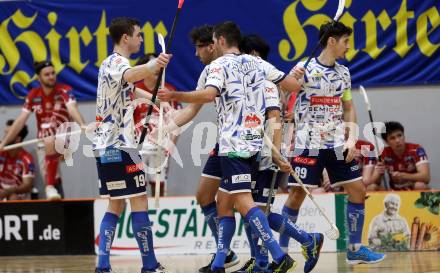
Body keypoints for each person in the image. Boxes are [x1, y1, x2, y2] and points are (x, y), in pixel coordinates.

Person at [159, 21, 305, 273]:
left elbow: (206, 96)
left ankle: (279, 256)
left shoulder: (218, 66)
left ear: (218, 41)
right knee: (221, 201)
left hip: (234, 143)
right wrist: (166, 129)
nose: (198, 52)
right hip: (250, 143)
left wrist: (174, 95)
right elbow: (293, 86)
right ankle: (221, 261)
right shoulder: (257, 63)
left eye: (206, 44)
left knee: (246, 204)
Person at [281, 21, 386, 264]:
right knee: (297, 195)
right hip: (308, 143)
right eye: (345, 41)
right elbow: (282, 97)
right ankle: (282, 253)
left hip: (337, 144)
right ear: (331, 41)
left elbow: (348, 107)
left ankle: (354, 248)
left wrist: (351, 139)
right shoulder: (303, 68)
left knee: (358, 191)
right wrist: (289, 80)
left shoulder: (344, 73)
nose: (349, 46)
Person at [93, 17, 171, 273]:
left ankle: (103, 266)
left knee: (116, 203)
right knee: (139, 201)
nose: (140, 39)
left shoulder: (111, 65)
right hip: (120, 145)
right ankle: (149, 265)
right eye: (137, 35)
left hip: (106, 146)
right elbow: (132, 75)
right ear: (125, 37)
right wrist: (153, 65)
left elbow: (130, 89)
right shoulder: (118, 62)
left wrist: (157, 101)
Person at [0, 61, 86, 200]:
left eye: (53, 73)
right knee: (52, 176)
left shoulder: (64, 90)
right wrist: (4, 143)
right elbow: (20, 120)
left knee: (50, 141)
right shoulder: (33, 95)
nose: (51, 76)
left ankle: (50, 187)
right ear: (39, 78)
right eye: (47, 74)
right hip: (43, 143)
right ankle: (55, 193)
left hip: (64, 140)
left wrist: (82, 124)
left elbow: (72, 108)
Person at [133, 53, 182, 197]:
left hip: (161, 146)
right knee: (137, 185)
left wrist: (170, 145)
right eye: (153, 65)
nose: (157, 69)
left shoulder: (169, 90)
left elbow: (177, 122)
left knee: (159, 186)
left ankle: (157, 215)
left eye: (159, 66)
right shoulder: (135, 90)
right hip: (139, 147)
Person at [375, 121, 430, 190]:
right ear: (386, 142)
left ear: (404, 135)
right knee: (372, 187)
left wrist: (404, 176)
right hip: (394, 193)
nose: (397, 140)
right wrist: (379, 171)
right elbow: (376, 181)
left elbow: (426, 177)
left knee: (420, 185)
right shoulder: (383, 153)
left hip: (414, 189)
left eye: (399, 135)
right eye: (392, 138)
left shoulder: (416, 149)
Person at [0, 120, 34, 200]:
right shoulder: (1, 152)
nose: (4, 137)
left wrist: (9, 191)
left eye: (8, 134)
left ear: (18, 139)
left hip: (16, 195)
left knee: (13, 198)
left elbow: (27, 186)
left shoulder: (26, 158)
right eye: (5, 133)